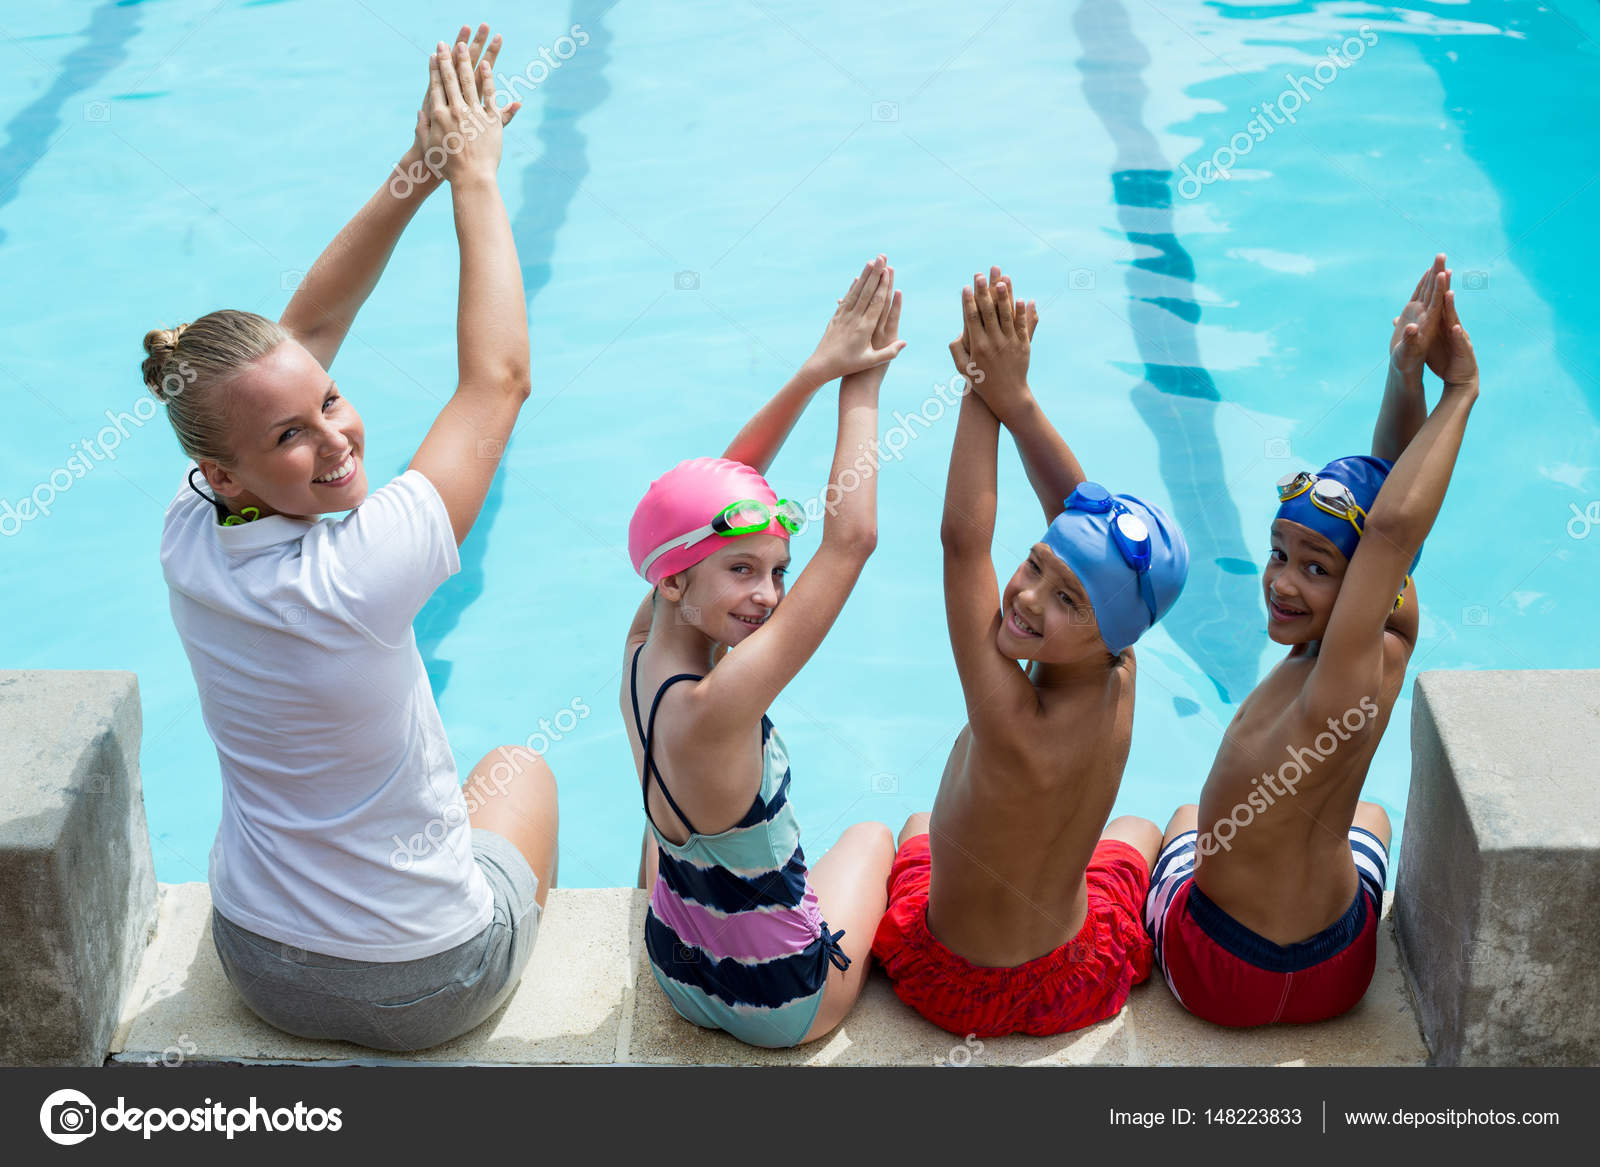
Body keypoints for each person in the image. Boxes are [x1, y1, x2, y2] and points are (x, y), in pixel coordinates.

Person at [144, 26, 555, 1051]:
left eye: (330, 403)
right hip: (428, 984)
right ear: (230, 471)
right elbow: (498, 380)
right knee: (519, 774)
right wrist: (471, 177)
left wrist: (410, 171)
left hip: (258, 962)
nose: (335, 440)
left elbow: (299, 337)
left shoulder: (191, 527)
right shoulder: (363, 569)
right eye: (294, 435)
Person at [1145, 255, 1478, 1026]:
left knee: (1176, 825)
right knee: (1374, 819)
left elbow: (1393, 527)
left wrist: (1459, 391)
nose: (1283, 582)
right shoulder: (1391, 629)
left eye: (1317, 568)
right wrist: (1404, 379)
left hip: (1223, 973)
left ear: (1363, 580)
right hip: (1340, 967)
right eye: (1279, 553)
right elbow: (1389, 516)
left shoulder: (1335, 676)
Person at [872, 267, 1189, 1037]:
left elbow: (960, 544)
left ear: (1103, 626)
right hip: (1078, 970)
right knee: (1141, 829)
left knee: (912, 825)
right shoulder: (1122, 661)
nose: (1026, 596)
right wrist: (1022, 401)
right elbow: (1082, 527)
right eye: (1036, 563)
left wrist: (983, 392)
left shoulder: (1010, 718)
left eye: (1064, 599)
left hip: (960, 985)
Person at [619, 256, 906, 1047]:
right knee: (880, 835)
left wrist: (814, 367)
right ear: (678, 581)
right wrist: (861, 382)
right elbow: (853, 539)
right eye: (743, 571)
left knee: (666, 826)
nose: (769, 595)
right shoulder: (722, 701)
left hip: (676, 970)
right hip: (779, 1006)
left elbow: (720, 490)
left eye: (778, 571)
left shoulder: (640, 644)